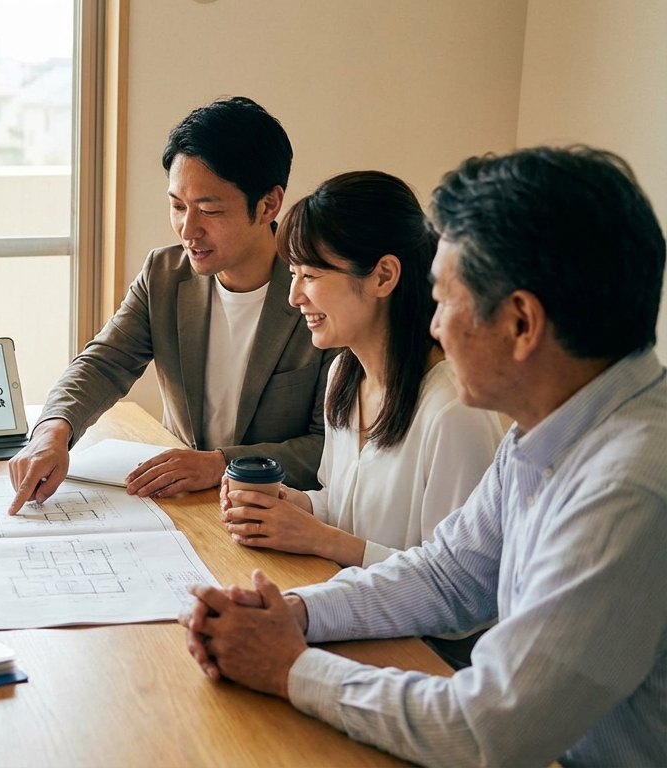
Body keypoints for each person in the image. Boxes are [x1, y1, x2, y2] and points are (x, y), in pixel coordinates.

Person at [180, 146, 667, 767]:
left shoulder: (627, 488)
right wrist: (295, 613)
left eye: (447, 300)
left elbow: (484, 730)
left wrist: (288, 668)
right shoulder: (547, 431)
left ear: (521, 323)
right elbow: (448, 575)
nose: (434, 326)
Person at [8, 97, 335, 514]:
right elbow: (104, 363)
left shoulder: (320, 291)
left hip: (276, 513)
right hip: (183, 508)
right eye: (178, 206)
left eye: (210, 210)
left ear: (268, 204)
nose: (188, 229)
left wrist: (220, 464)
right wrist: (53, 430)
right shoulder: (164, 273)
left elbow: (327, 445)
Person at [220, 171, 503, 570]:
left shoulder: (454, 412)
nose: (295, 296)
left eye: (310, 275)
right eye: (293, 273)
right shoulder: (343, 376)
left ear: (383, 276)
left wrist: (321, 539)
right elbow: (339, 507)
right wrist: (282, 503)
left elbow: (459, 581)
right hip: (340, 598)